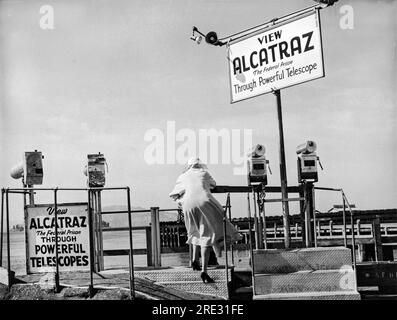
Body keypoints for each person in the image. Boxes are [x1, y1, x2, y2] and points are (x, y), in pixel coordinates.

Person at [169, 157, 242, 283]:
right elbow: (213, 184)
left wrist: (183, 198)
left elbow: (174, 194)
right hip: (205, 203)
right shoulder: (204, 173)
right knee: (207, 235)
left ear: (189, 166)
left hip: (188, 205)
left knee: (194, 231)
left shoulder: (183, 176)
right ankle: (204, 271)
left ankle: (194, 260)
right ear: (199, 165)